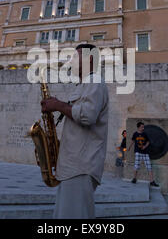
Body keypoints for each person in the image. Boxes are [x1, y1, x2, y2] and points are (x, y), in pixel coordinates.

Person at [40, 43, 109, 219]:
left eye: (76, 57)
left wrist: (57, 105)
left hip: (81, 166)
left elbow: (87, 116)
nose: (72, 61)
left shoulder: (95, 82)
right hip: (73, 166)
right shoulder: (83, 85)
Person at [128, 122, 158, 187]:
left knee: (149, 166)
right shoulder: (135, 134)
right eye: (142, 127)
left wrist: (145, 146)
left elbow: (148, 141)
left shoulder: (144, 134)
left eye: (143, 127)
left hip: (145, 152)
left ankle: (152, 181)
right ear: (138, 127)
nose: (143, 128)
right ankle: (134, 178)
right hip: (138, 152)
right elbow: (133, 141)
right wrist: (129, 147)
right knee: (136, 165)